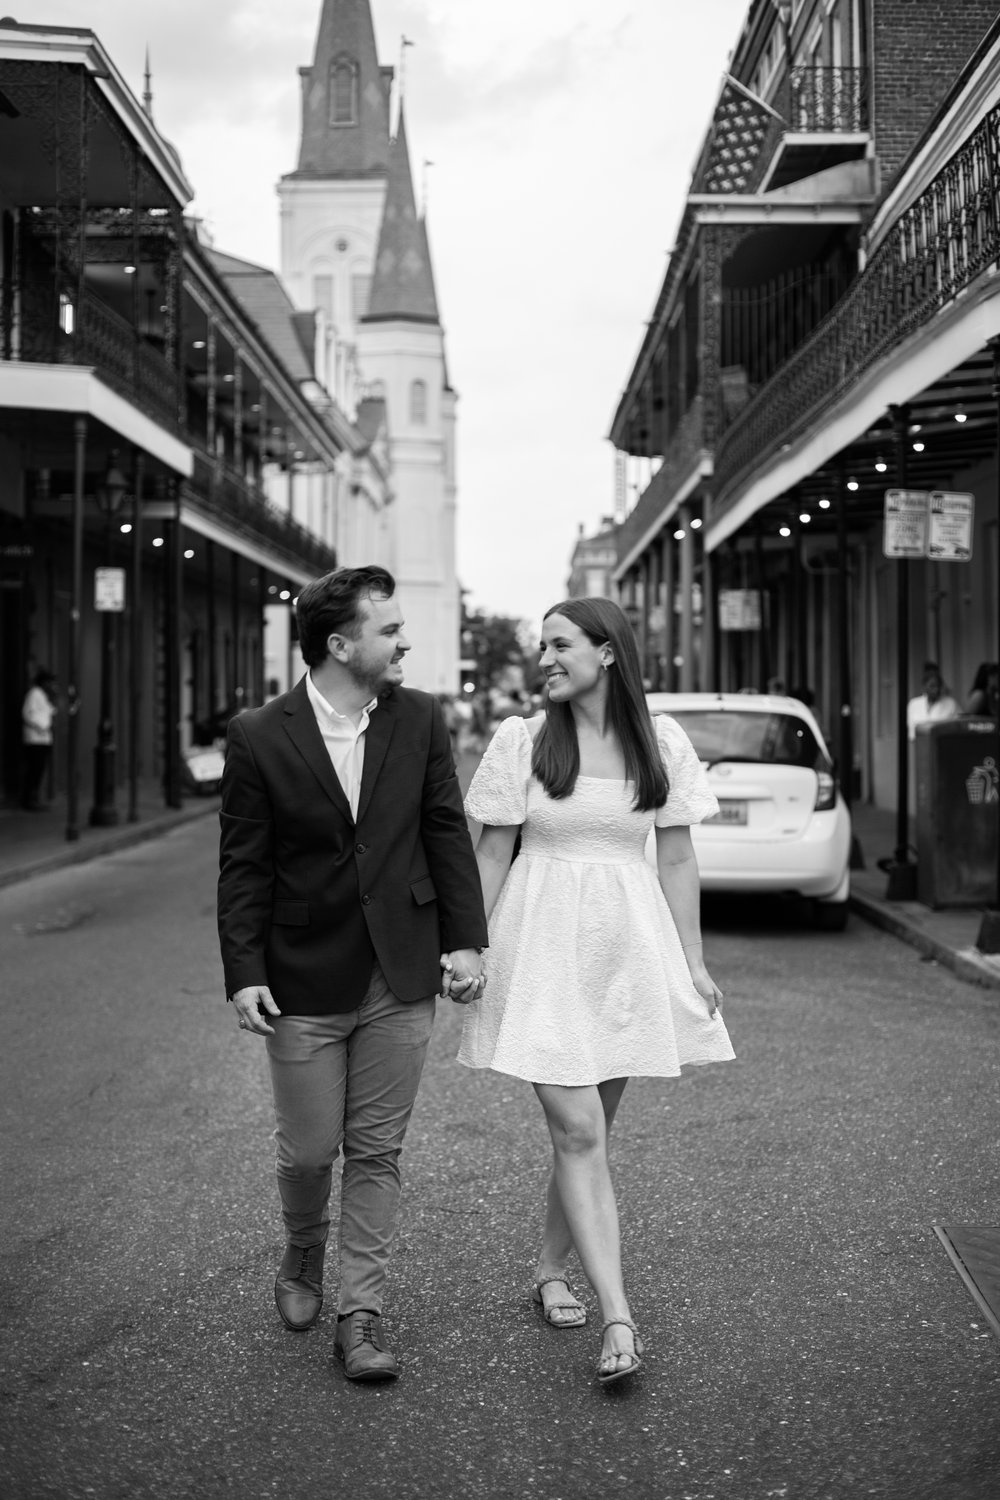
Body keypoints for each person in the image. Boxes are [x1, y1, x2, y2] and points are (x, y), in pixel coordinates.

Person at [450, 597, 734, 1387]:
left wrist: (695, 963)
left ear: (608, 652)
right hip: (539, 949)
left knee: (590, 1138)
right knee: (578, 1132)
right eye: (541, 646)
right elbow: (492, 854)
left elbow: (675, 859)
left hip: (624, 955)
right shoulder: (525, 740)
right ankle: (619, 1316)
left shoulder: (660, 743)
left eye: (560, 644)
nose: (544, 658)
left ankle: (549, 1269)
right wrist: (468, 948)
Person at [217, 565, 488, 1382]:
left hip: (400, 970)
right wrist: (243, 970)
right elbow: (243, 866)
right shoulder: (261, 734)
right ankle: (303, 1250)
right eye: (390, 629)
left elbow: (445, 831)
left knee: (375, 1150)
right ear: (340, 645)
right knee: (308, 1152)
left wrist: (466, 940)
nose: (405, 641)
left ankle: (360, 1313)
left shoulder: (420, 719)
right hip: (302, 971)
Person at [21, 668, 57, 810]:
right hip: (35, 739)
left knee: (39, 770)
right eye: (49, 682)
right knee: (34, 769)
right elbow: (27, 714)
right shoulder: (34, 694)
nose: (51, 684)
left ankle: (34, 798)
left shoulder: (43, 695)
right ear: (43, 682)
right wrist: (41, 726)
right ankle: (30, 800)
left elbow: (51, 712)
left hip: (43, 740)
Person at [906, 662, 959, 740]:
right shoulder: (914, 703)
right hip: (919, 744)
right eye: (932, 686)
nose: (936, 690)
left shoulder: (950, 703)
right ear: (924, 686)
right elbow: (911, 729)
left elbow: (957, 727)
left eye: (938, 686)